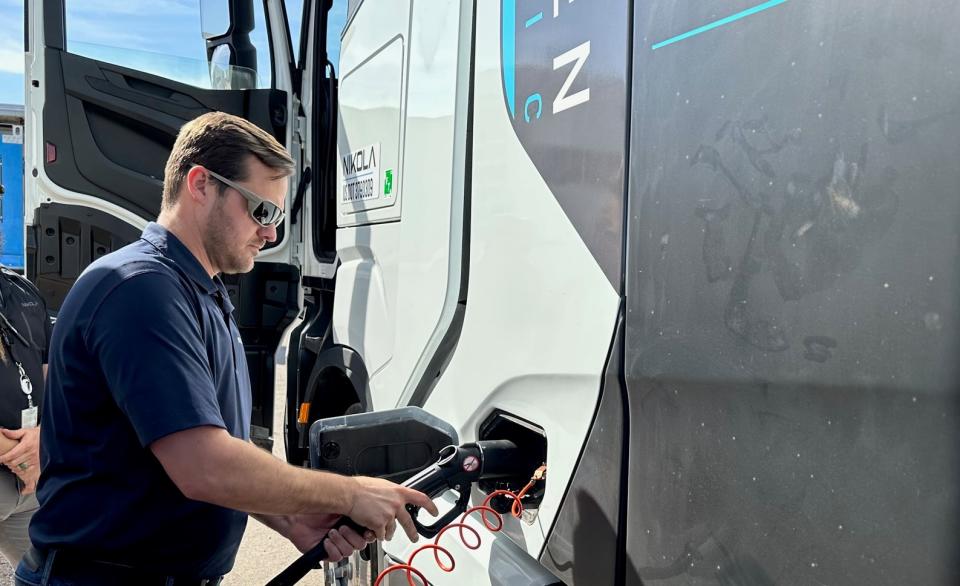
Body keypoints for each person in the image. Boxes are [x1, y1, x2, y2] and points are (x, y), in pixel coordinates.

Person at [16, 111, 437, 586]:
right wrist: (347, 493)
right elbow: (202, 464)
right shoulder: (140, 290)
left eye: (278, 216)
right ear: (200, 184)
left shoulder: (200, 291)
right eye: (263, 210)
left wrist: (293, 518)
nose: (272, 232)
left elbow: (223, 451)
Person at [0, 265, 51, 567]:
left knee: (48, 575)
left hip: (31, 481)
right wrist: (26, 461)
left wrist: (45, 437)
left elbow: (52, 374)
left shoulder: (22, 289)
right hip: (27, 467)